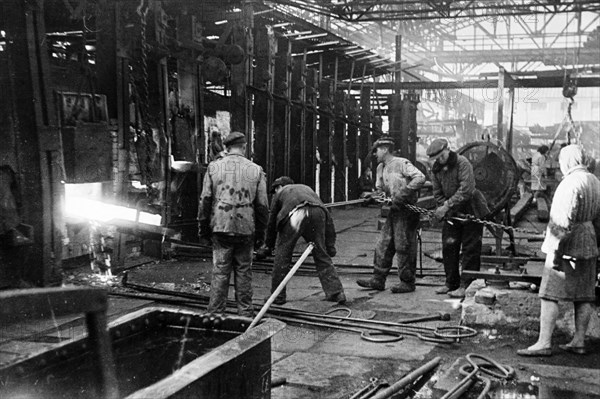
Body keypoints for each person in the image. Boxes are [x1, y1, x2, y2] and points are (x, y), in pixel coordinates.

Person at [517, 144, 600, 357]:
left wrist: (553, 250)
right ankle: (579, 341)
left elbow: (561, 222)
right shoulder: (595, 182)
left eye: (562, 161)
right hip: (589, 242)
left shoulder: (568, 184)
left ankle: (544, 343)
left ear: (568, 161)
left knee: (548, 294)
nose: (560, 165)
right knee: (584, 295)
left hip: (568, 244)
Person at [198, 131, 269, 317]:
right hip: (246, 228)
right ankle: (245, 315)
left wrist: (203, 230)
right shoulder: (256, 170)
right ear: (244, 147)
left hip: (220, 227)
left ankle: (214, 313)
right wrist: (261, 235)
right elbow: (262, 206)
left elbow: (205, 200)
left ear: (226, 147)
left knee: (220, 272)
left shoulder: (214, 167)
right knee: (244, 271)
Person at [356, 136, 426, 293]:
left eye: (377, 151)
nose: (375, 154)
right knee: (383, 244)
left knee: (403, 245)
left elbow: (420, 178)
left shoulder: (401, 163)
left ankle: (407, 282)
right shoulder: (380, 168)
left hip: (407, 211)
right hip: (394, 211)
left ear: (385, 149)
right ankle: (378, 280)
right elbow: (381, 192)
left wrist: (403, 194)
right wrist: (372, 196)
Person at [261, 176, 345, 305]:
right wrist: (330, 246)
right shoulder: (307, 189)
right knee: (321, 254)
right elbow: (328, 218)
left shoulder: (281, 193)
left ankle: (278, 296)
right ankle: (336, 293)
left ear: (279, 187)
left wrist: (268, 246)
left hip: (295, 214)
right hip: (318, 212)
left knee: (282, 257)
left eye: (275, 190)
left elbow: (272, 222)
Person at [428, 138, 490, 299]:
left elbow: (466, 189)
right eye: (436, 158)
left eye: (442, 156)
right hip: (452, 211)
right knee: (449, 246)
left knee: (470, 248)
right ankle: (451, 283)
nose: (440, 160)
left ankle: (467, 285)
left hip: (471, 207)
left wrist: (446, 206)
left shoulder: (463, 163)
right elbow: (437, 193)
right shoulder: (436, 170)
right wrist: (444, 206)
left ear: (448, 150)